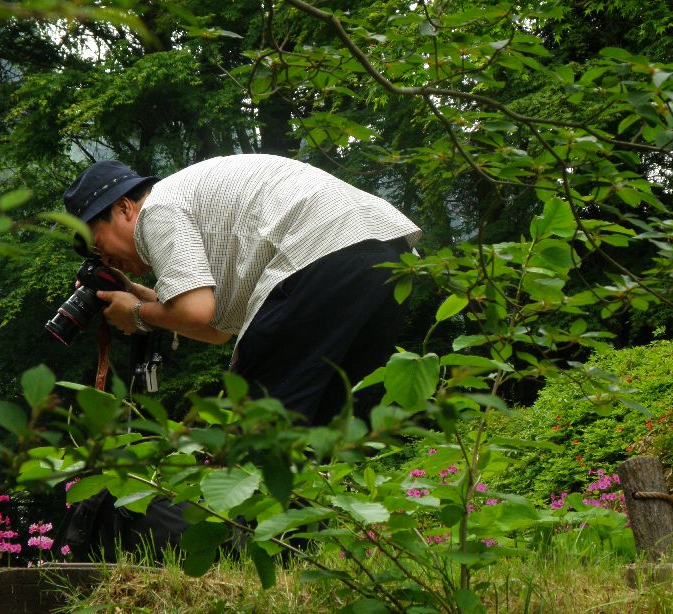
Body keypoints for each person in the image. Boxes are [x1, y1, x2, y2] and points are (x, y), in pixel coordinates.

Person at [63, 154, 421, 425]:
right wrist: (142, 296)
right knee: (334, 421)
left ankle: (258, 521)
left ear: (124, 208)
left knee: (261, 423)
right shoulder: (186, 197)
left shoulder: (156, 209)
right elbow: (216, 329)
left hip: (319, 252)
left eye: (98, 243)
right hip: (388, 253)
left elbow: (194, 312)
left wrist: (137, 315)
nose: (105, 259)